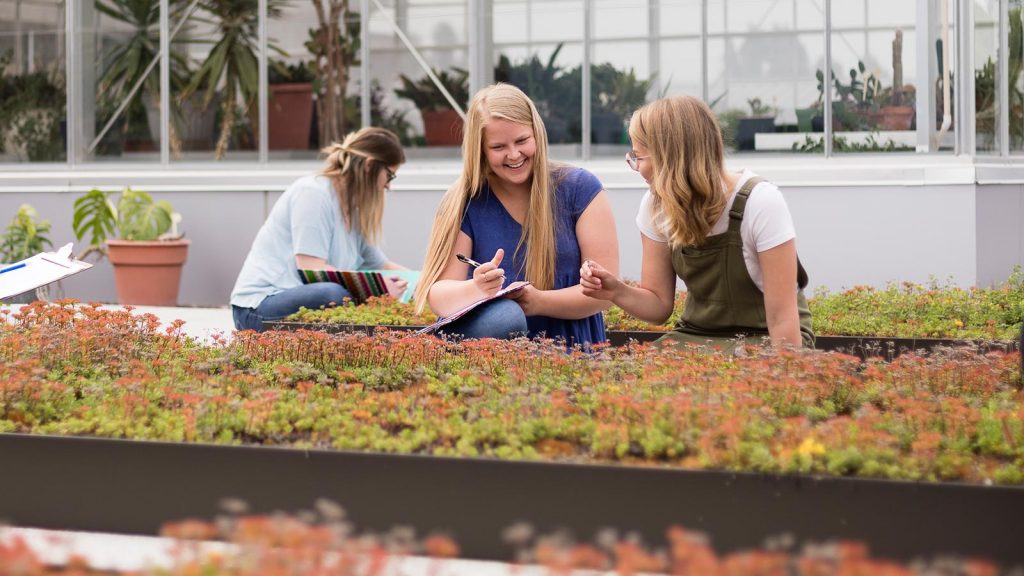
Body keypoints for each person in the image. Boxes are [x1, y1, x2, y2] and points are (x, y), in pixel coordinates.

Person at [580, 95, 813, 352]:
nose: (635, 168)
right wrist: (615, 291)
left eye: (638, 157)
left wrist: (785, 382)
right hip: (696, 336)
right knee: (627, 377)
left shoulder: (760, 202)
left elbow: (782, 320)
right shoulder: (655, 205)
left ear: (668, 156)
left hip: (766, 337)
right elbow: (658, 306)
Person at [413, 83, 619, 347]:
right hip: (495, 365)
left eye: (522, 140)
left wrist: (539, 302)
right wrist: (476, 288)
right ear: (481, 151)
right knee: (505, 318)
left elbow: (605, 293)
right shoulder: (465, 201)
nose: (514, 155)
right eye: (498, 147)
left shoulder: (580, 189)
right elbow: (438, 295)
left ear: (537, 135)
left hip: (573, 355)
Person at [231, 127, 408, 332]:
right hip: (257, 309)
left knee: (341, 295)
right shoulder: (313, 193)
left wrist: (427, 283)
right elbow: (312, 267)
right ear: (369, 166)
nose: (388, 186)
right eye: (390, 176)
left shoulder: (354, 209)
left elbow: (382, 266)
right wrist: (376, 290)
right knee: (333, 295)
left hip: (298, 301)